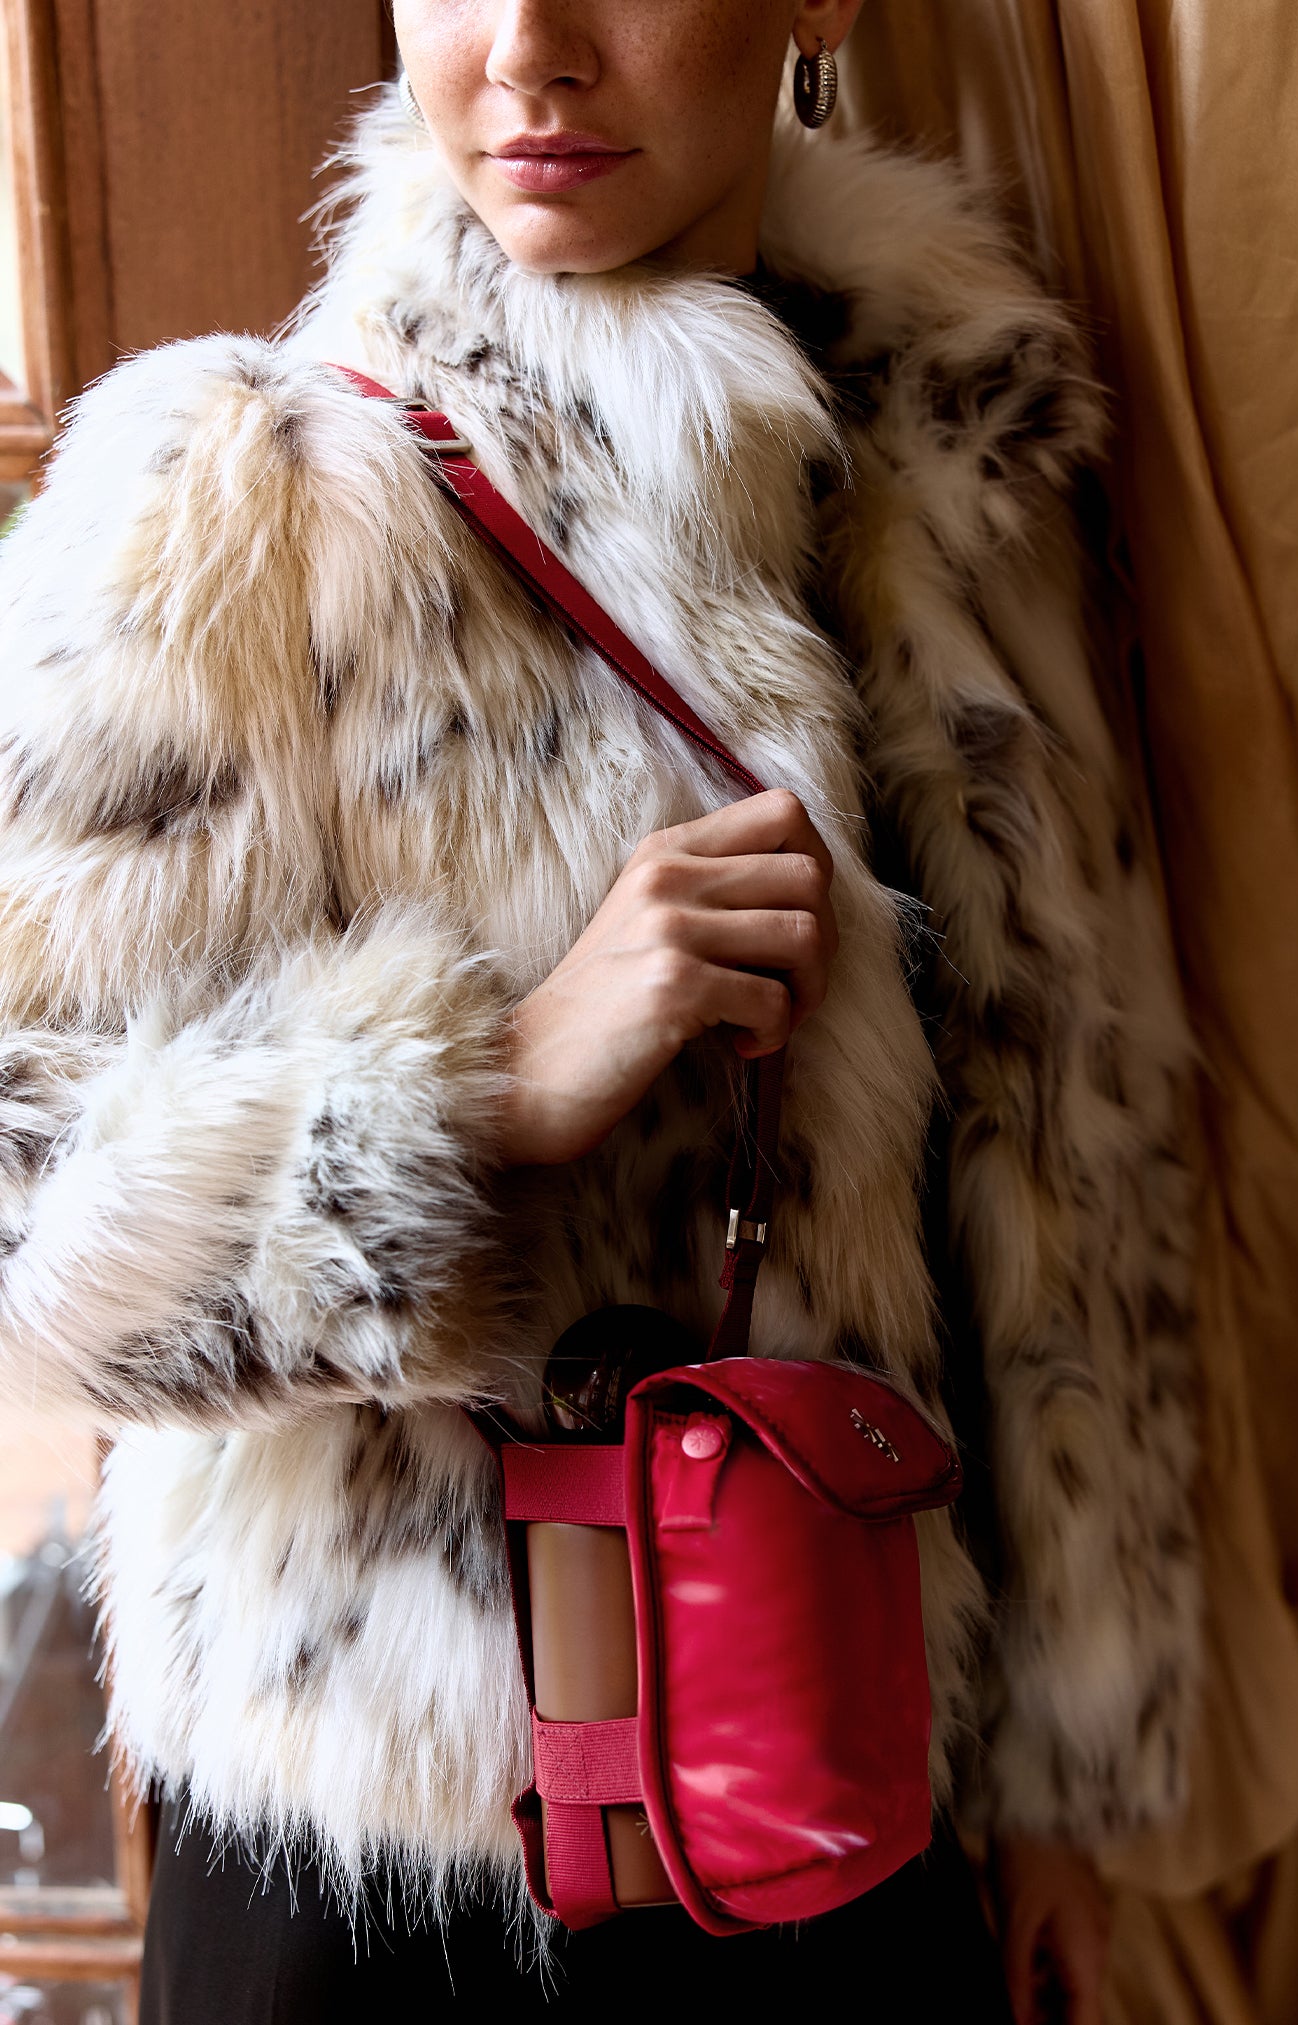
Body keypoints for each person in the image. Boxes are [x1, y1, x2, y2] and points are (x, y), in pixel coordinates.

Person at [0, 2, 1201, 2016]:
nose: (530, 50)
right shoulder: (244, 486)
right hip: (390, 1862)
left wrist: (1062, 1779)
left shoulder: (964, 462)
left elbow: (1066, 1145)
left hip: (848, 1786)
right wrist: (476, 1089)